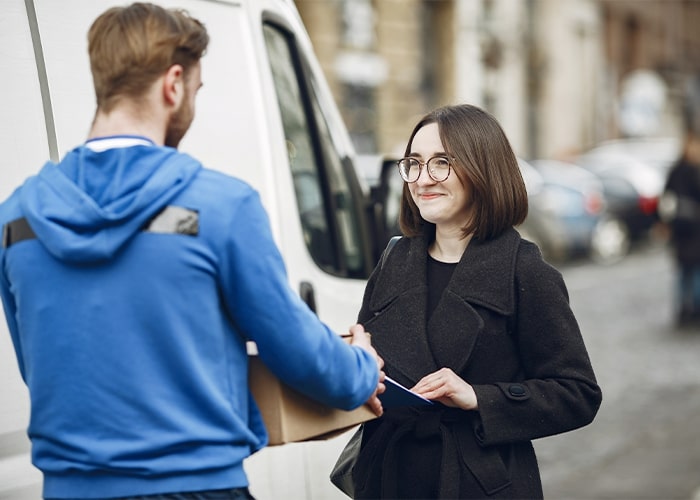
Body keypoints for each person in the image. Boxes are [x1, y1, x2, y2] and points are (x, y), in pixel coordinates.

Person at [0, 3, 384, 499]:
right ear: (173, 83)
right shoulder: (222, 207)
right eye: (196, 91)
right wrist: (361, 369)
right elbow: (298, 353)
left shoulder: (17, 219)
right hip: (197, 486)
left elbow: (41, 366)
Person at [348, 104, 602, 499]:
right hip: (389, 476)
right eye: (413, 163)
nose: (422, 179)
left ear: (482, 170)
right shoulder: (395, 259)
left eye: (441, 163)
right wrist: (356, 363)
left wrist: (479, 398)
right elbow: (372, 357)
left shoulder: (524, 270)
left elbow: (577, 393)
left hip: (477, 483)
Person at [659, 75, 700, 328]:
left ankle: (687, 310)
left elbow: (666, 197)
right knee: (690, 272)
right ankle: (690, 310)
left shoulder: (677, 169)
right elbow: (667, 196)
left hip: (684, 229)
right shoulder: (688, 170)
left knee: (688, 272)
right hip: (690, 229)